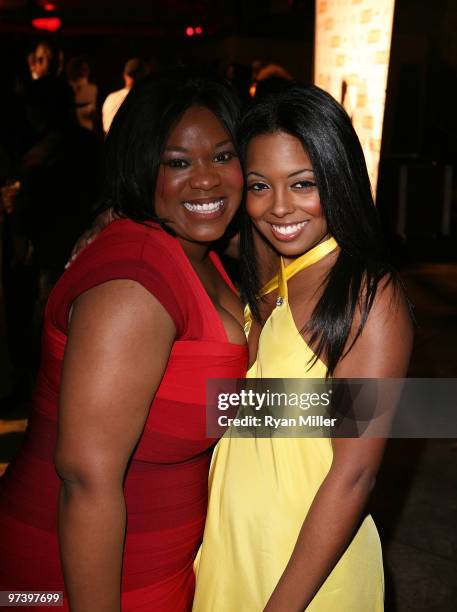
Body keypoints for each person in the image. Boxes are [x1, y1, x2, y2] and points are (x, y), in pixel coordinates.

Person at [0, 71, 247, 611]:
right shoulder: (135, 285)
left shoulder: (193, 251)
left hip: (158, 566)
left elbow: (218, 404)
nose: (205, 180)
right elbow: (85, 479)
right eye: (177, 162)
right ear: (140, 166)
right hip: (71, 582)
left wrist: (399, 411)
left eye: (223, 156)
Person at [192, 84, 413, 611]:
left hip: (305, 575)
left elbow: (355, 473)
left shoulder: (367, 296)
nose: (280, 207)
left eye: (304, 183)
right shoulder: (273, 270)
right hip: (234, 546)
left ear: (338, 180)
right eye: (259, 185)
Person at [102, 57, 148, 134]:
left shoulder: (111, 98)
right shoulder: (113, 98)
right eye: (133, 75)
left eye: (138, 75)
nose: (136, 78)